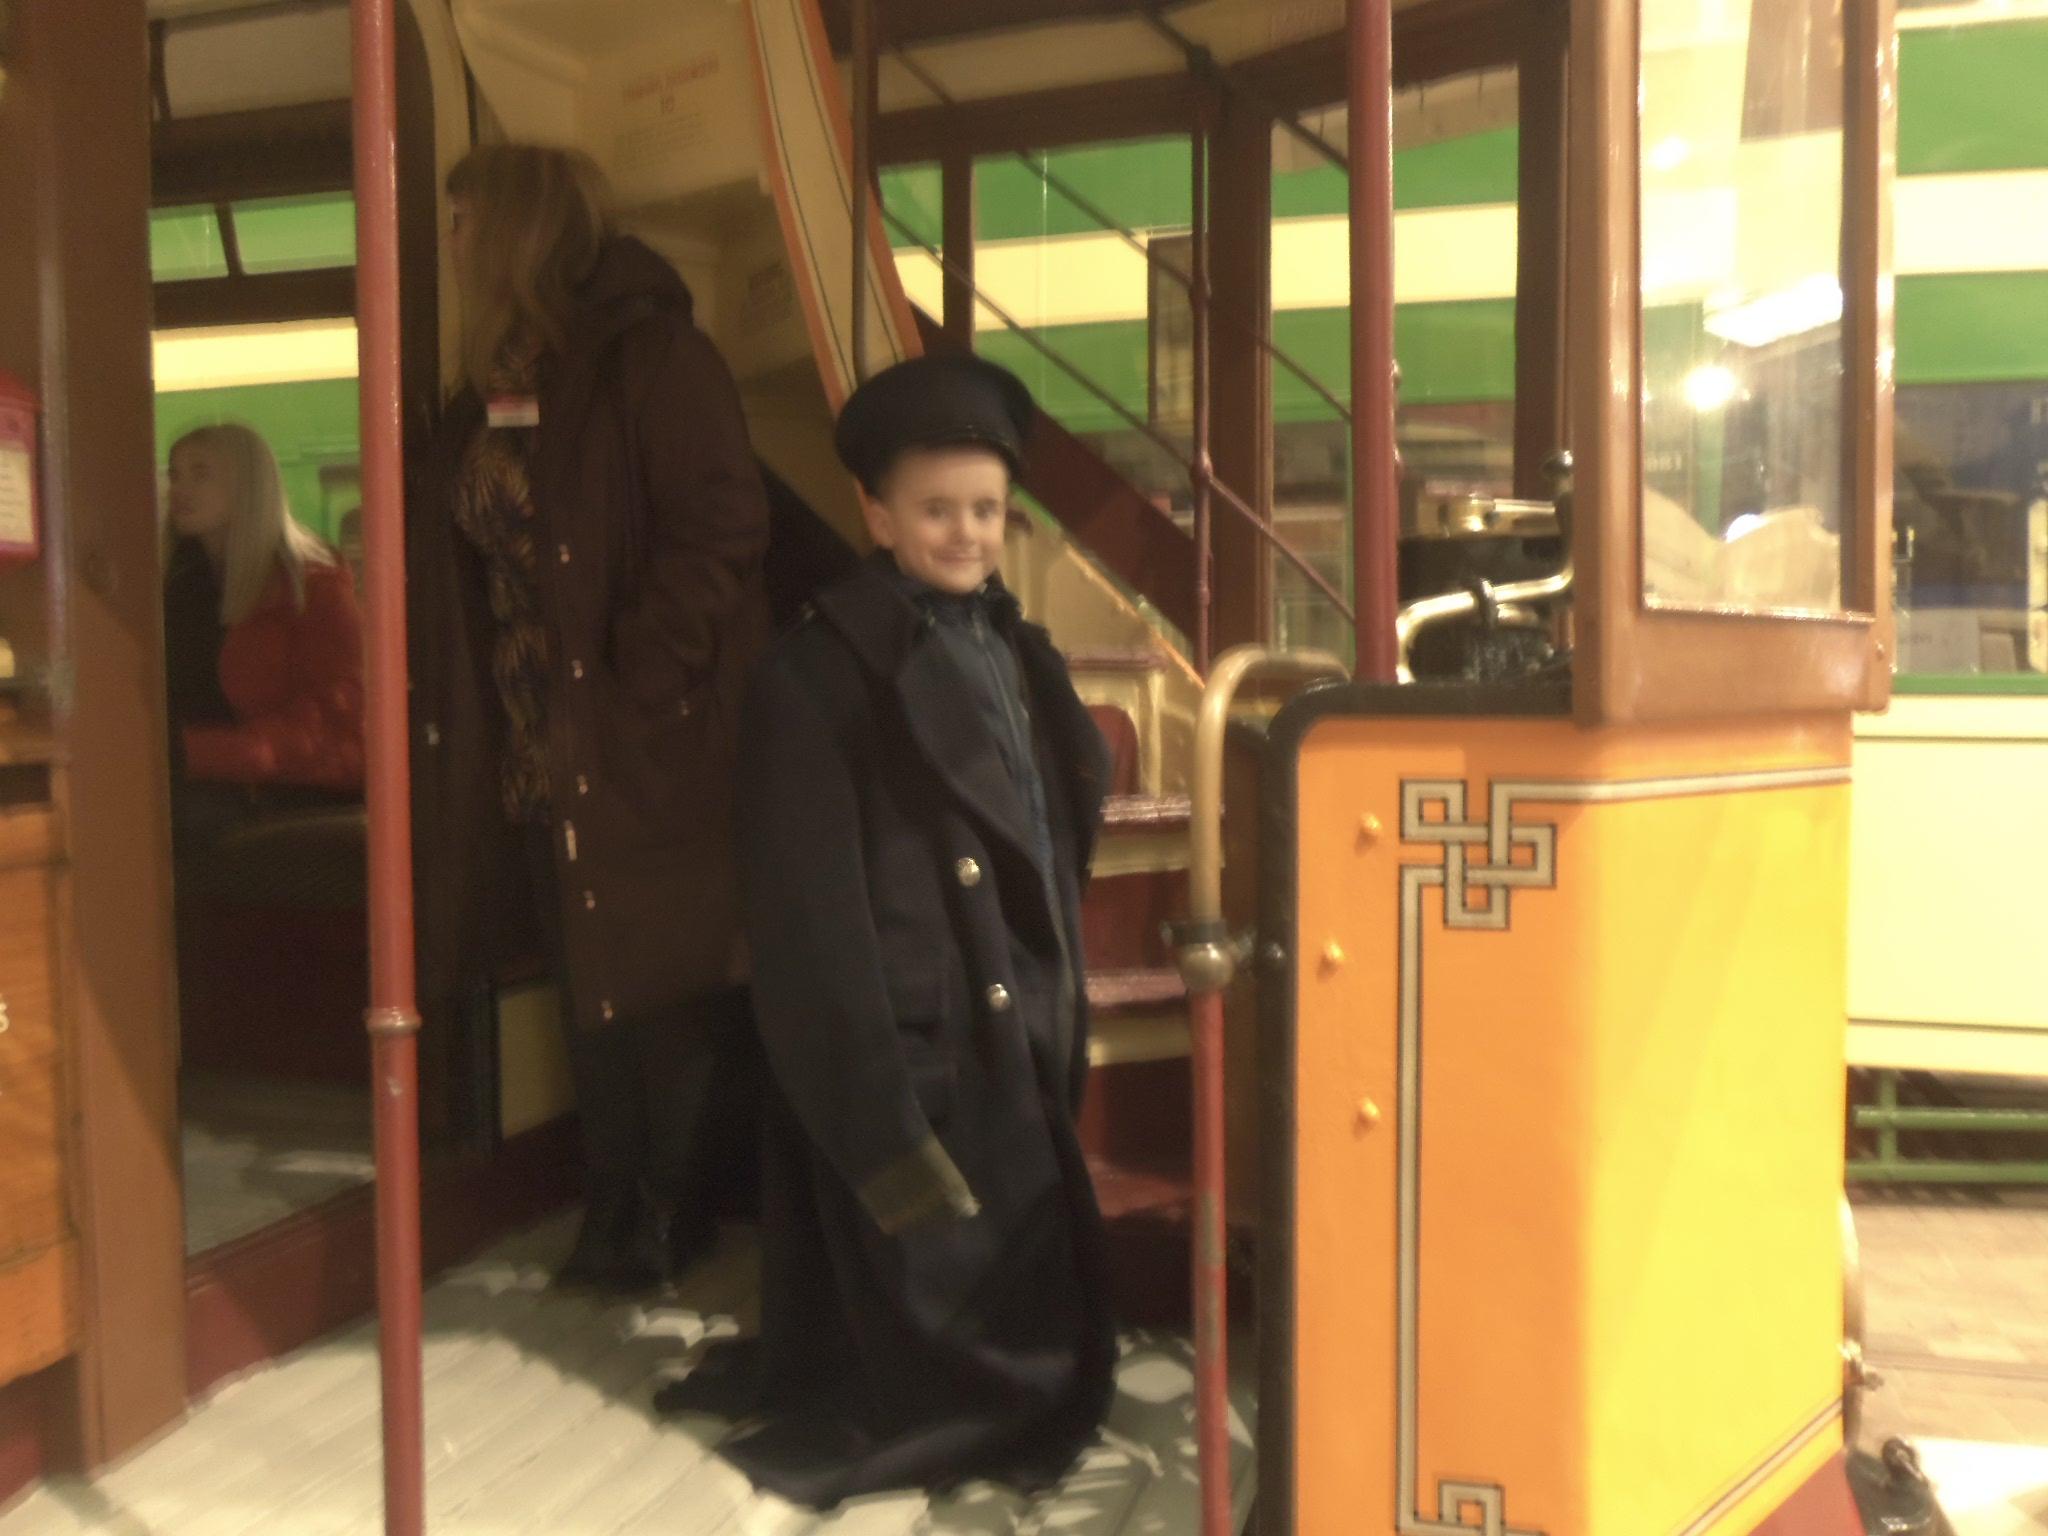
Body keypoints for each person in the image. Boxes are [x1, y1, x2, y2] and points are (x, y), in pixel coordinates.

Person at [657, 355, 1115, 1507]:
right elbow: (805, 919)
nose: (966, 535)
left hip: (1010, 991)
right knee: (938, 1244)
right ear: (873, 513)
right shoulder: (816, 675)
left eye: (986, 511)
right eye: (935, 510)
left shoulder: (1017, 651)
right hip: (914, 1018)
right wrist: (865, 1089)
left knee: (1019, 1237)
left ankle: (1019, 1389)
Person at [407, 144, 771, 1292]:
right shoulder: (487, 389)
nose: (449, 241)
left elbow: (722, 522)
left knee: (660, 984)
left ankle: (664, 1215)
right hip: (539, 738)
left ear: (516, 229)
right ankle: (618, 1207)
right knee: (591, 987)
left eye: (462, 218)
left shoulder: (651, 359)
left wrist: (639, 684)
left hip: (642, 733)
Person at [162, 423, 365, 842]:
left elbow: (334, 715)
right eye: (174, 474)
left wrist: (199, 752)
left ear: (248, 486)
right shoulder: (182, 585)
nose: (180, 489)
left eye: (200, 473)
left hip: (297, 794)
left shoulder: (311, 585)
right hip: (219, 785)